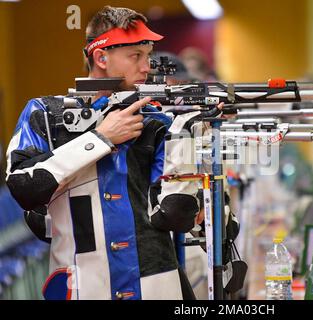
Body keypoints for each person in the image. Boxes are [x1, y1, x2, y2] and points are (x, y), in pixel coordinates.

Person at [4, 6, 221, 300]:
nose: (147, 66)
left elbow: (175, 215)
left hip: (154, 283)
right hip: (82, 285)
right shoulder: (45, 115)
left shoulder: (156, 122)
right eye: (136, 56)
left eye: (148, 55)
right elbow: (24, 188)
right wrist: (101, 138)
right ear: (101, 57)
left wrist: (186, 136)